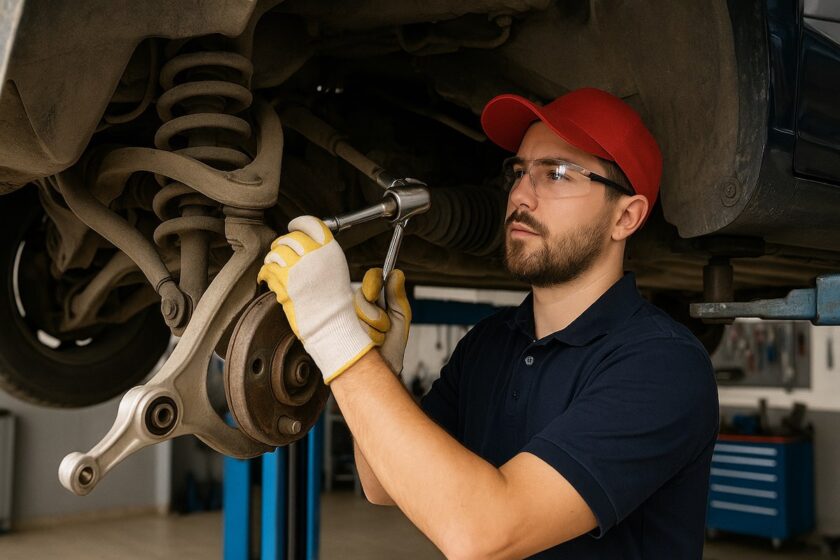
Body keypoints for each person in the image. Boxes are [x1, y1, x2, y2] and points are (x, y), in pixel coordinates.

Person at [258, 88, 719, 559]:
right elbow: (380, 483)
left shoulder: (663, 364)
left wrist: (333, 332)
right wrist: (381, 368)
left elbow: (484, 533)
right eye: (518, 172)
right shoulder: (490, 343)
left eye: (556, 174)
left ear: (626, 217)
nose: (520, 195)